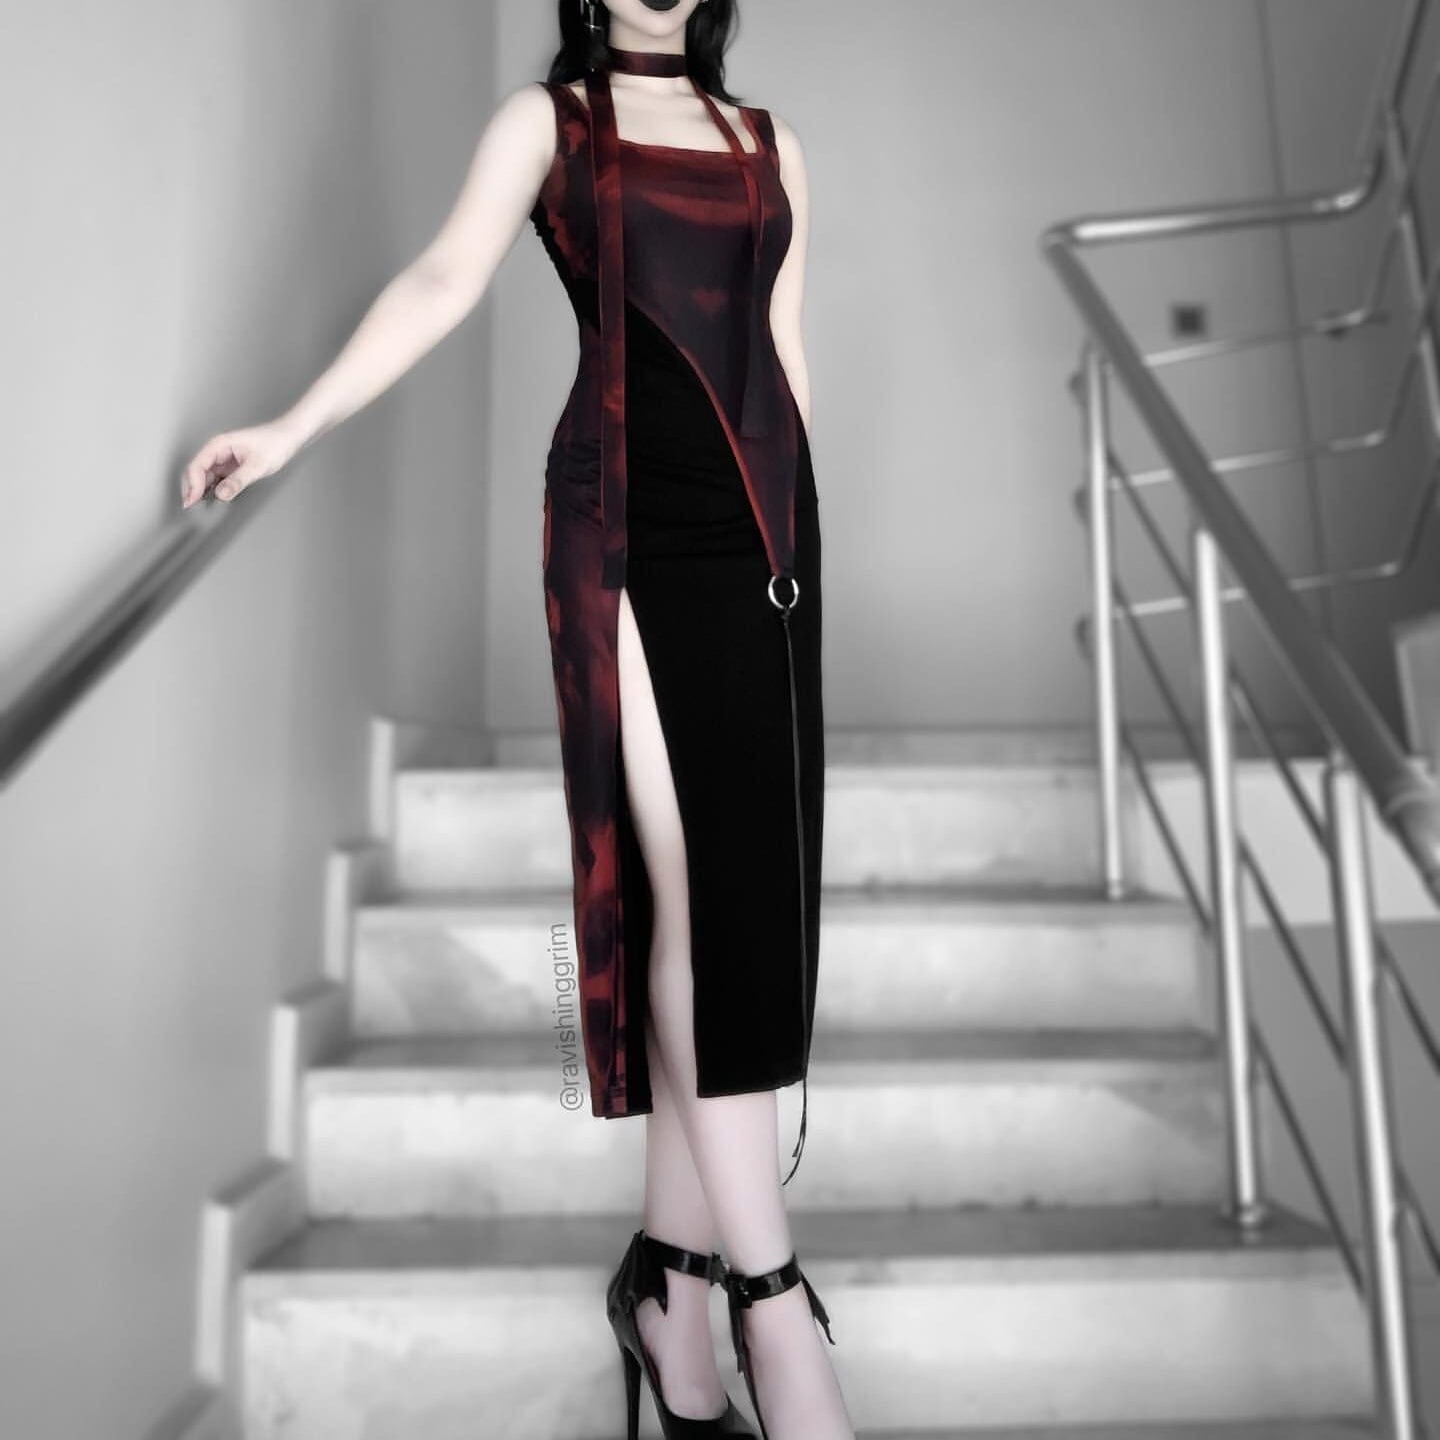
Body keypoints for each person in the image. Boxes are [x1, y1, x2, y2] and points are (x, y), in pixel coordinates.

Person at [179, 4, 848, 1438]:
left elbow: (786, 360)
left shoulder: (769, 142)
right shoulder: (552, 125)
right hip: (625, 530)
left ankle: (670, 1302)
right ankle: (777, 1309)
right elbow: (441, 278)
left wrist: (796, 557)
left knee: (732, 909)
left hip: (763, 559)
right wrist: (291, 427)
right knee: (695, 901)